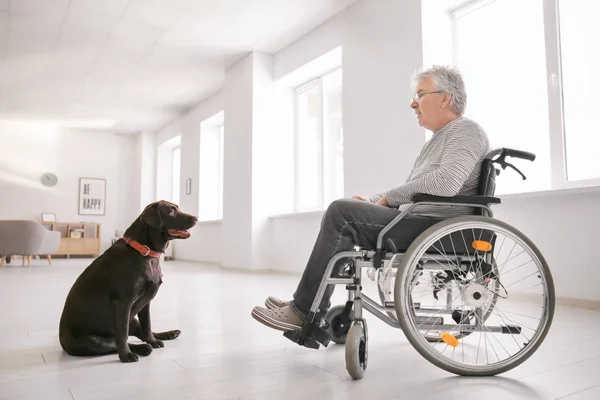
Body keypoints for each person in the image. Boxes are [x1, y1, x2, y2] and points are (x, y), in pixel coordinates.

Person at [250, 65, 490, 332]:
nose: (413, 103)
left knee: (341, 212)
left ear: (445, 98)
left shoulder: (466, 130)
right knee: (347, 208)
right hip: (421, 219)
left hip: (436, 227)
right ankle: (308, 305)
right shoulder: (440, 139)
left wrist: (387, 198)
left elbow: (446, 183)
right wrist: (372, 200)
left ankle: (305, 309)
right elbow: (413, 189)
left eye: (420, 95)